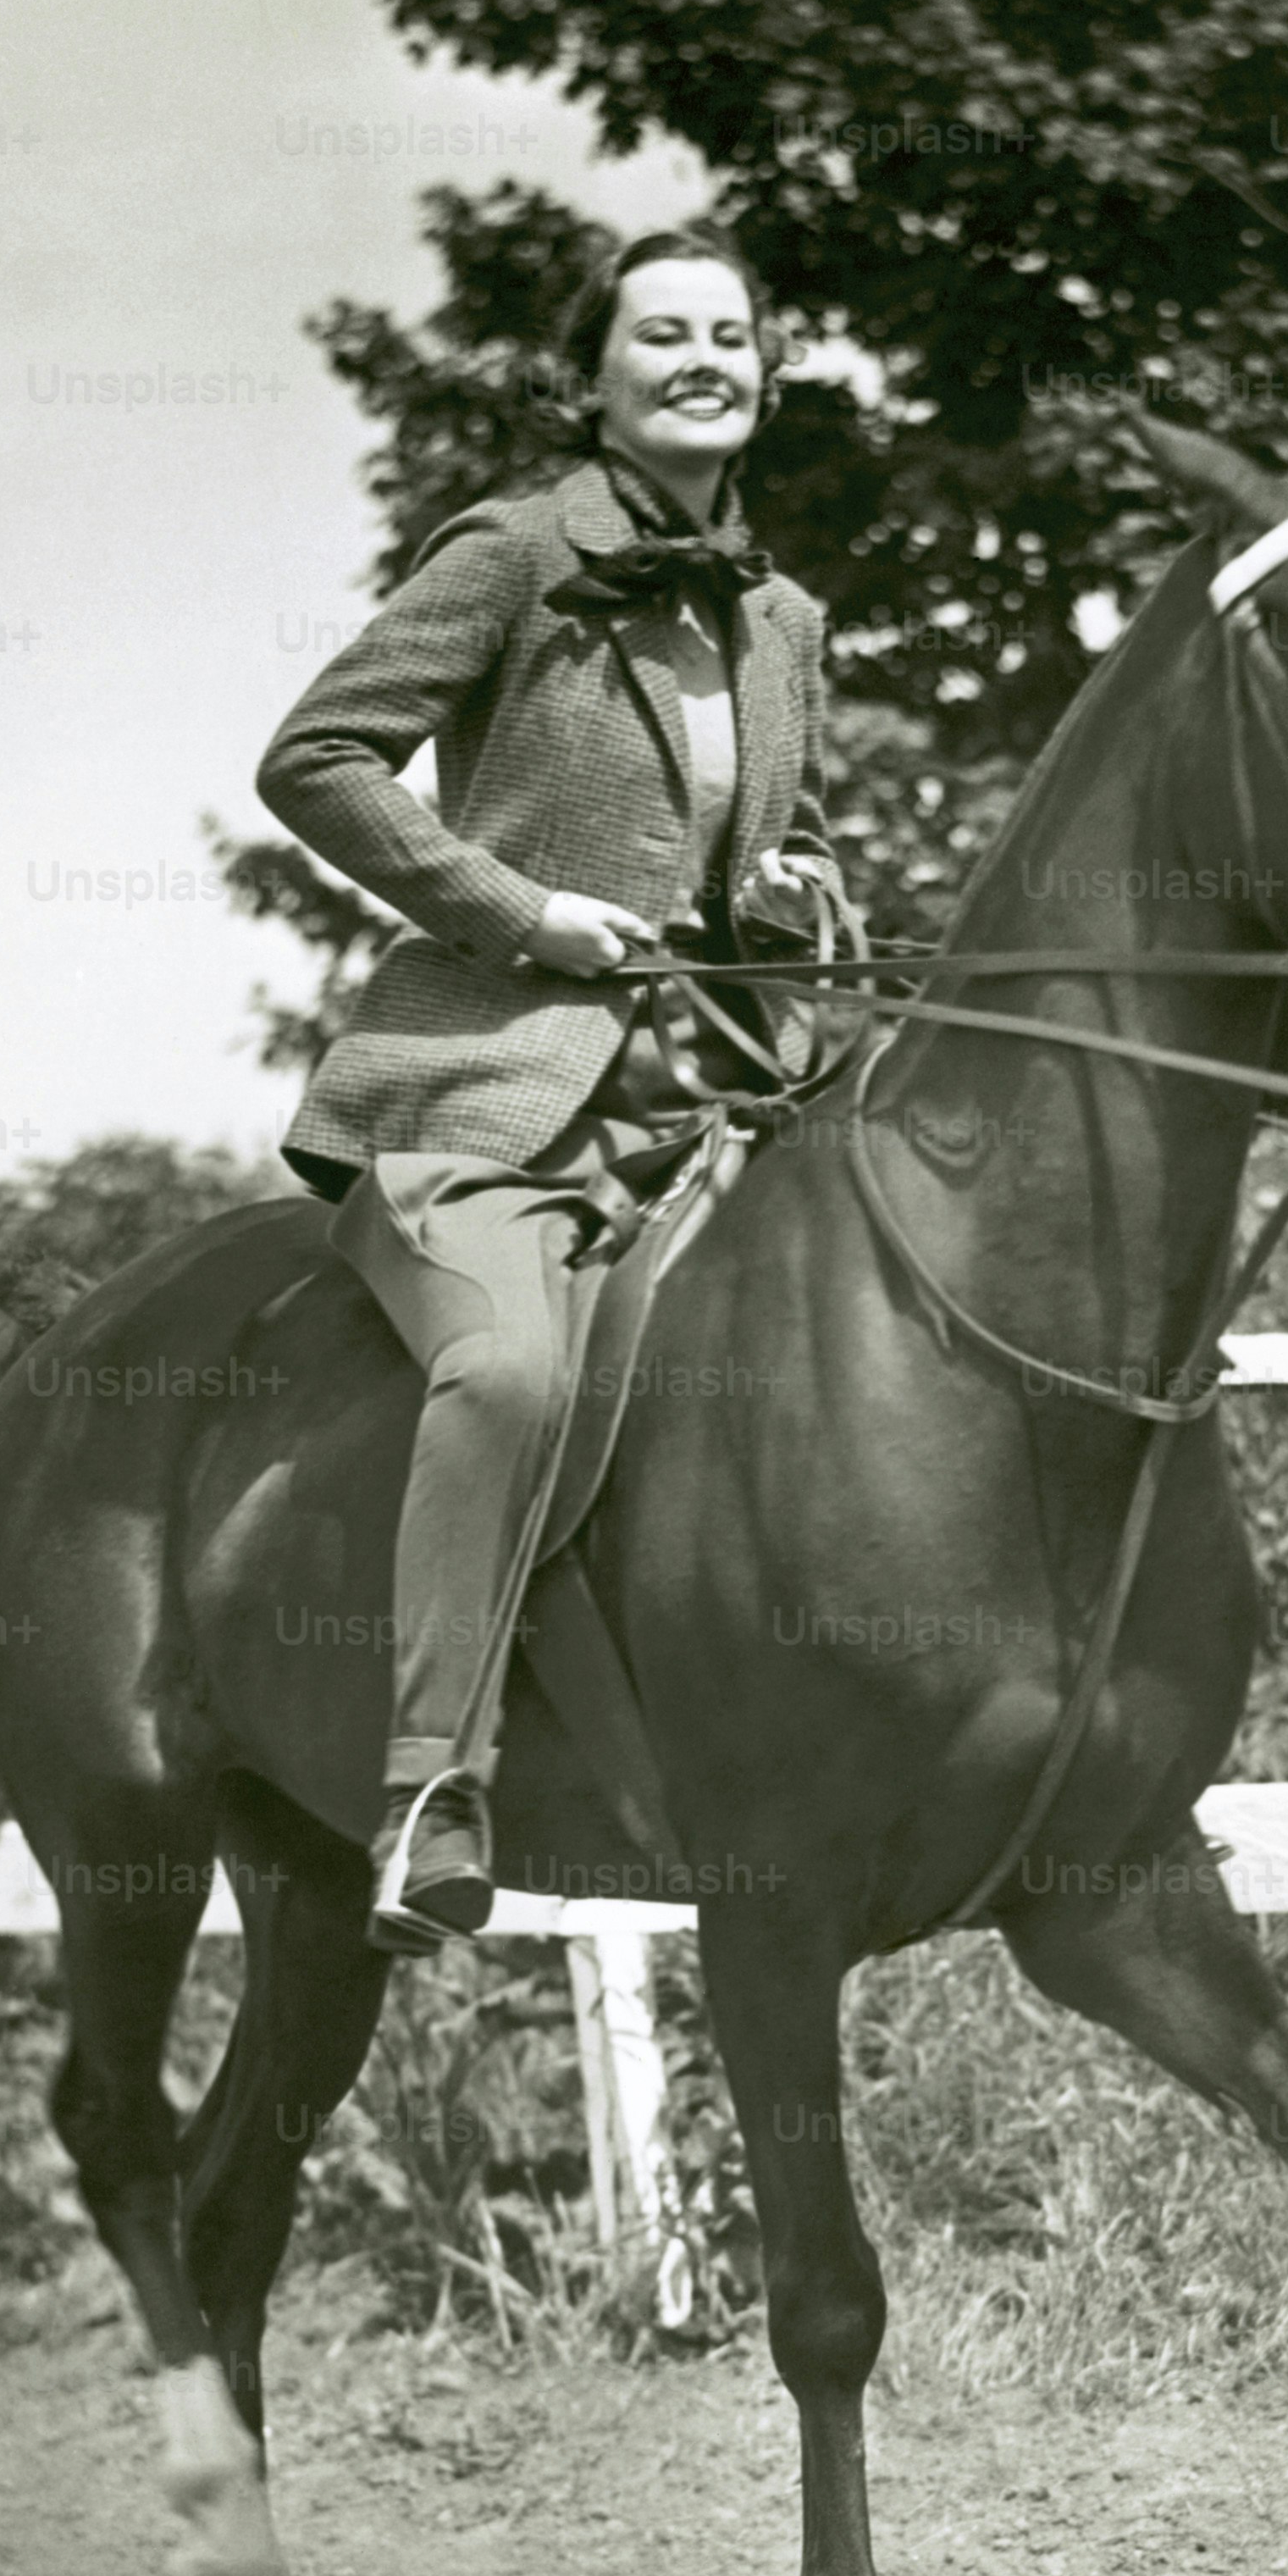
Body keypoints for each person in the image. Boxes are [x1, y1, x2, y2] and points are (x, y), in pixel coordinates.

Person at [255, 227, 847, 1948]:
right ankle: (432, 1782)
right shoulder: (514, 551)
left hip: (718, 1093)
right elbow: (316, 759)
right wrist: (519, 913)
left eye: (729, 335)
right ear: (588, 371)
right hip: (488, 1098)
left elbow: (767, 842)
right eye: (658, 335)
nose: (700, 361)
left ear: (764, 370)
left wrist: (797, 897)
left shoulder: (785, 617)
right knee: (507, 1369)